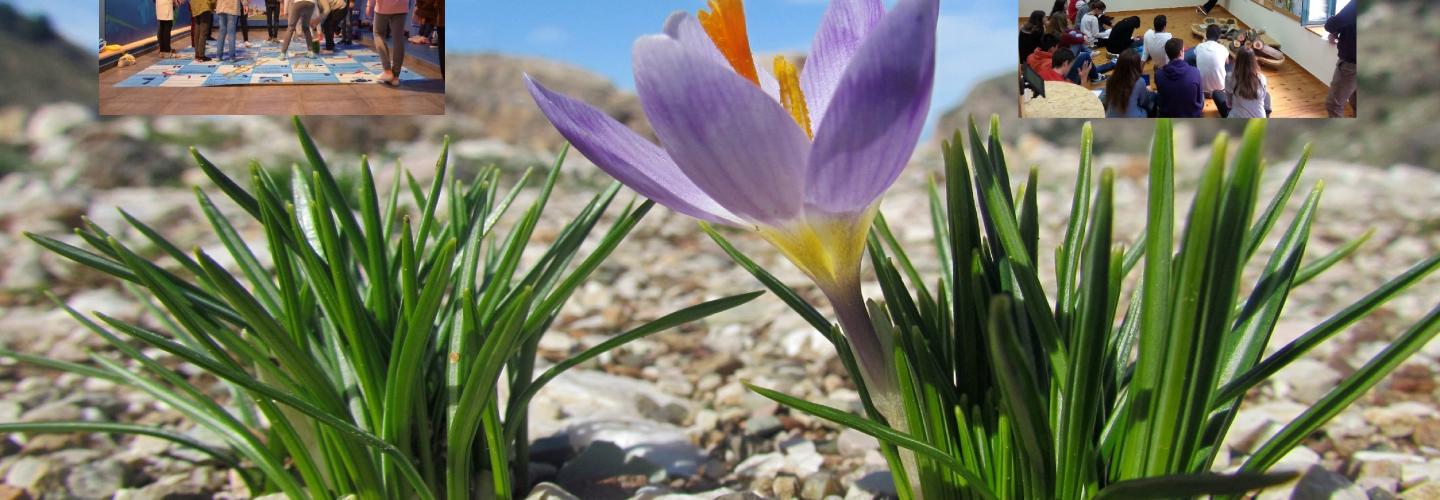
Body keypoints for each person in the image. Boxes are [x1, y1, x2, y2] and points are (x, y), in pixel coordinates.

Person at [1155, 38, 1203, 117]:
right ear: (1181, 53)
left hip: (1168, 116)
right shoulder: (1195, 72)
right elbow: (1199, 98)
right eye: (1183, 50)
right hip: (1191, 115)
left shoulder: (1158, 74)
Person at [1325, 0, 1357, 117]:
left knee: (1333, 105)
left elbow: (1331, 24)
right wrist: (1336, 31)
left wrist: (1333, 28)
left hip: (1352, 63)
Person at [1193, 24, 1232, 116]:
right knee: (1230, 65)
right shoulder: (1223, 48)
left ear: (1206, 35)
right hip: (1220, 89)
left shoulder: (1199, 46)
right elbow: (1227, 62)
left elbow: (1195, 57)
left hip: (1202, 89)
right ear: (1219, 37)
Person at [369, 0, 410, 86]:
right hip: (402, 5)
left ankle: (387, 71)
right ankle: (395, 77)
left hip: (383, 5)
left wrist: (370, 5)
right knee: (398, 38)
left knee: (378, 33)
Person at [1103, 48, 1154, 117]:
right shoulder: (1140, 81)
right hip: (1133, 119)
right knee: (1153, 97)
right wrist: (1148, 91)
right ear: (1137, 65)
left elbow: (1107, 100)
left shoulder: (1110, 79)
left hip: (1110, 118)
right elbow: (1143, 102)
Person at [1226, 46, 1271, 118]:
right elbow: (1263, 98)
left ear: (1237, 60)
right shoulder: (1262, 78)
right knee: (1267, 95)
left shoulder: (1229, 77)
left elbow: (1229, 103)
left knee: (1217, 94)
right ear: (1254, 61)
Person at [1142, 15, 1173, 79]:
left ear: (1154, 25)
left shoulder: (1147, 34)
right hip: (1164, 66)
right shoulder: (1168, 37)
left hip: (1157, 62)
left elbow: (1144, 54)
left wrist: (1138, 73)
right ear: (1164, 26)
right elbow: (1169, 59)